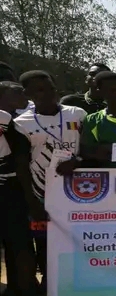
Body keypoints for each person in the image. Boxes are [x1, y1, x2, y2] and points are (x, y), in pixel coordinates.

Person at [13, 72, 86, 279]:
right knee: (45, 241)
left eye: (51, 88)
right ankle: (50, 285)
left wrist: (78, 161)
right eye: (40, 90)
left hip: (78, 190)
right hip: (41, 191)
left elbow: (89, 148)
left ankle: (75, 282)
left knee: (77, 238)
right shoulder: (21, 123)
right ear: (27, 94)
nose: (48, 94)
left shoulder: (77, 114)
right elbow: (21, 163)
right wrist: (32, 200)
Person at [0, 95, 44, 296]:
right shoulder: (6, 118)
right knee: (20, 246)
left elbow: (18, 158)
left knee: (19, 247)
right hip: (10, 191)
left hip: (10, 191)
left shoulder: (7, 119)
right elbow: (19, 158)